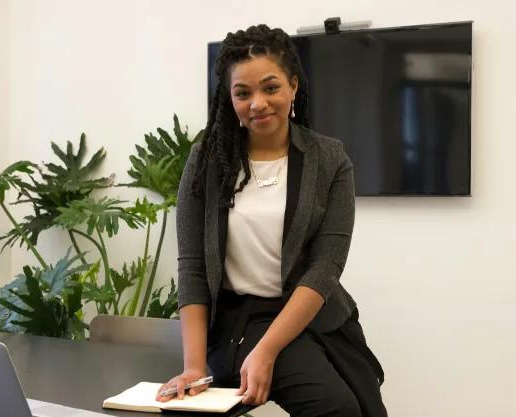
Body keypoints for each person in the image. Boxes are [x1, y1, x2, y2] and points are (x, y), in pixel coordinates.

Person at [157, 24, 387, 417]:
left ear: (293, 86)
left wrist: (266, 351)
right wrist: (194, 368)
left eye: (271, 87)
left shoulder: (330, 159)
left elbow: (325, 267)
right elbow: (193, 268)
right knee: (336, 409)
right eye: (242, 93)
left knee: (355, 407)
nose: (257, 103)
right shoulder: (206, 160)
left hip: (306, 315)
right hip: (234, 321)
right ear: (228, 98)